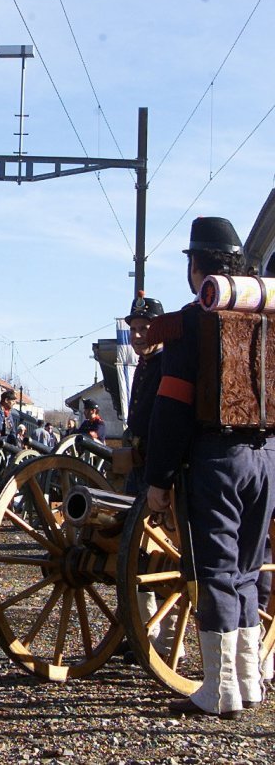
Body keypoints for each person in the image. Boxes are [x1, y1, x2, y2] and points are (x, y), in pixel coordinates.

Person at [145, 215, 275, 718]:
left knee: (216, 572)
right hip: (266, 457)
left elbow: (173, 405)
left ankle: (219, 689)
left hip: (217, 459)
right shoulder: (263, 319)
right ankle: (248, 683)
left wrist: (157, 477)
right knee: (246, 570)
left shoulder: (192, 323)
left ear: (197, 267)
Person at [122, 292, 165, 496]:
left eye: (143, 329)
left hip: (157, 461)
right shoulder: (145, 362)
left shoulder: (167, 363)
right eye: (133, 330)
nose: (136, 336)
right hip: (139, 458)